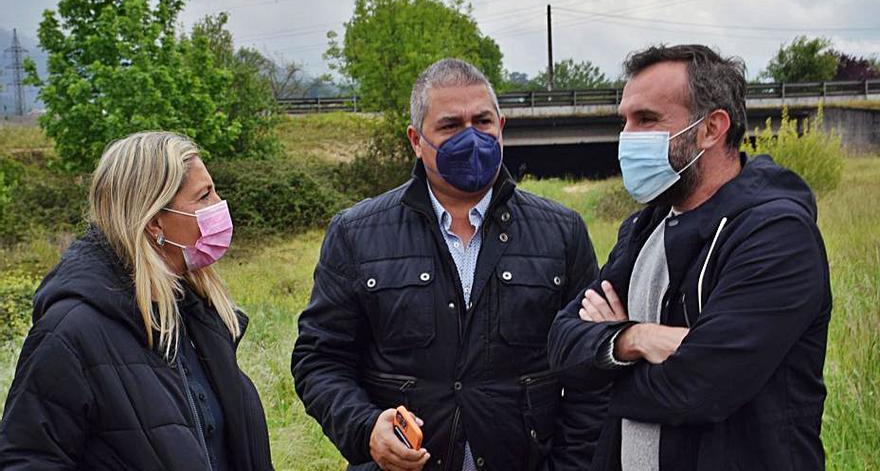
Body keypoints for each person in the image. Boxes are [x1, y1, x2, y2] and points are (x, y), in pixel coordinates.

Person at [292, 58, 604, 471]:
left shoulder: (562, 232)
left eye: (482, 121)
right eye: (451, 126)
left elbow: (589, 369)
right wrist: (366, 428)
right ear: (416, 140)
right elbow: (320, 359)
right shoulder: (356, 234)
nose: (471, 138)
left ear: (502, 127)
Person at [548, 44, 832, 471]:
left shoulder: (777, 237)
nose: (627, 138)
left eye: (646, 120)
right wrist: (635, 338)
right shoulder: (644, 227)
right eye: (624, 121)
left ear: (712, 128)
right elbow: (561, 343)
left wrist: (601, 366)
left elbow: (701, 387)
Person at [0, 132, 273, 470]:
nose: (220, 204)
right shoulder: (71, 331)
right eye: (204, 196)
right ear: (155, 221)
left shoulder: (193, 311)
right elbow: (26, 459)